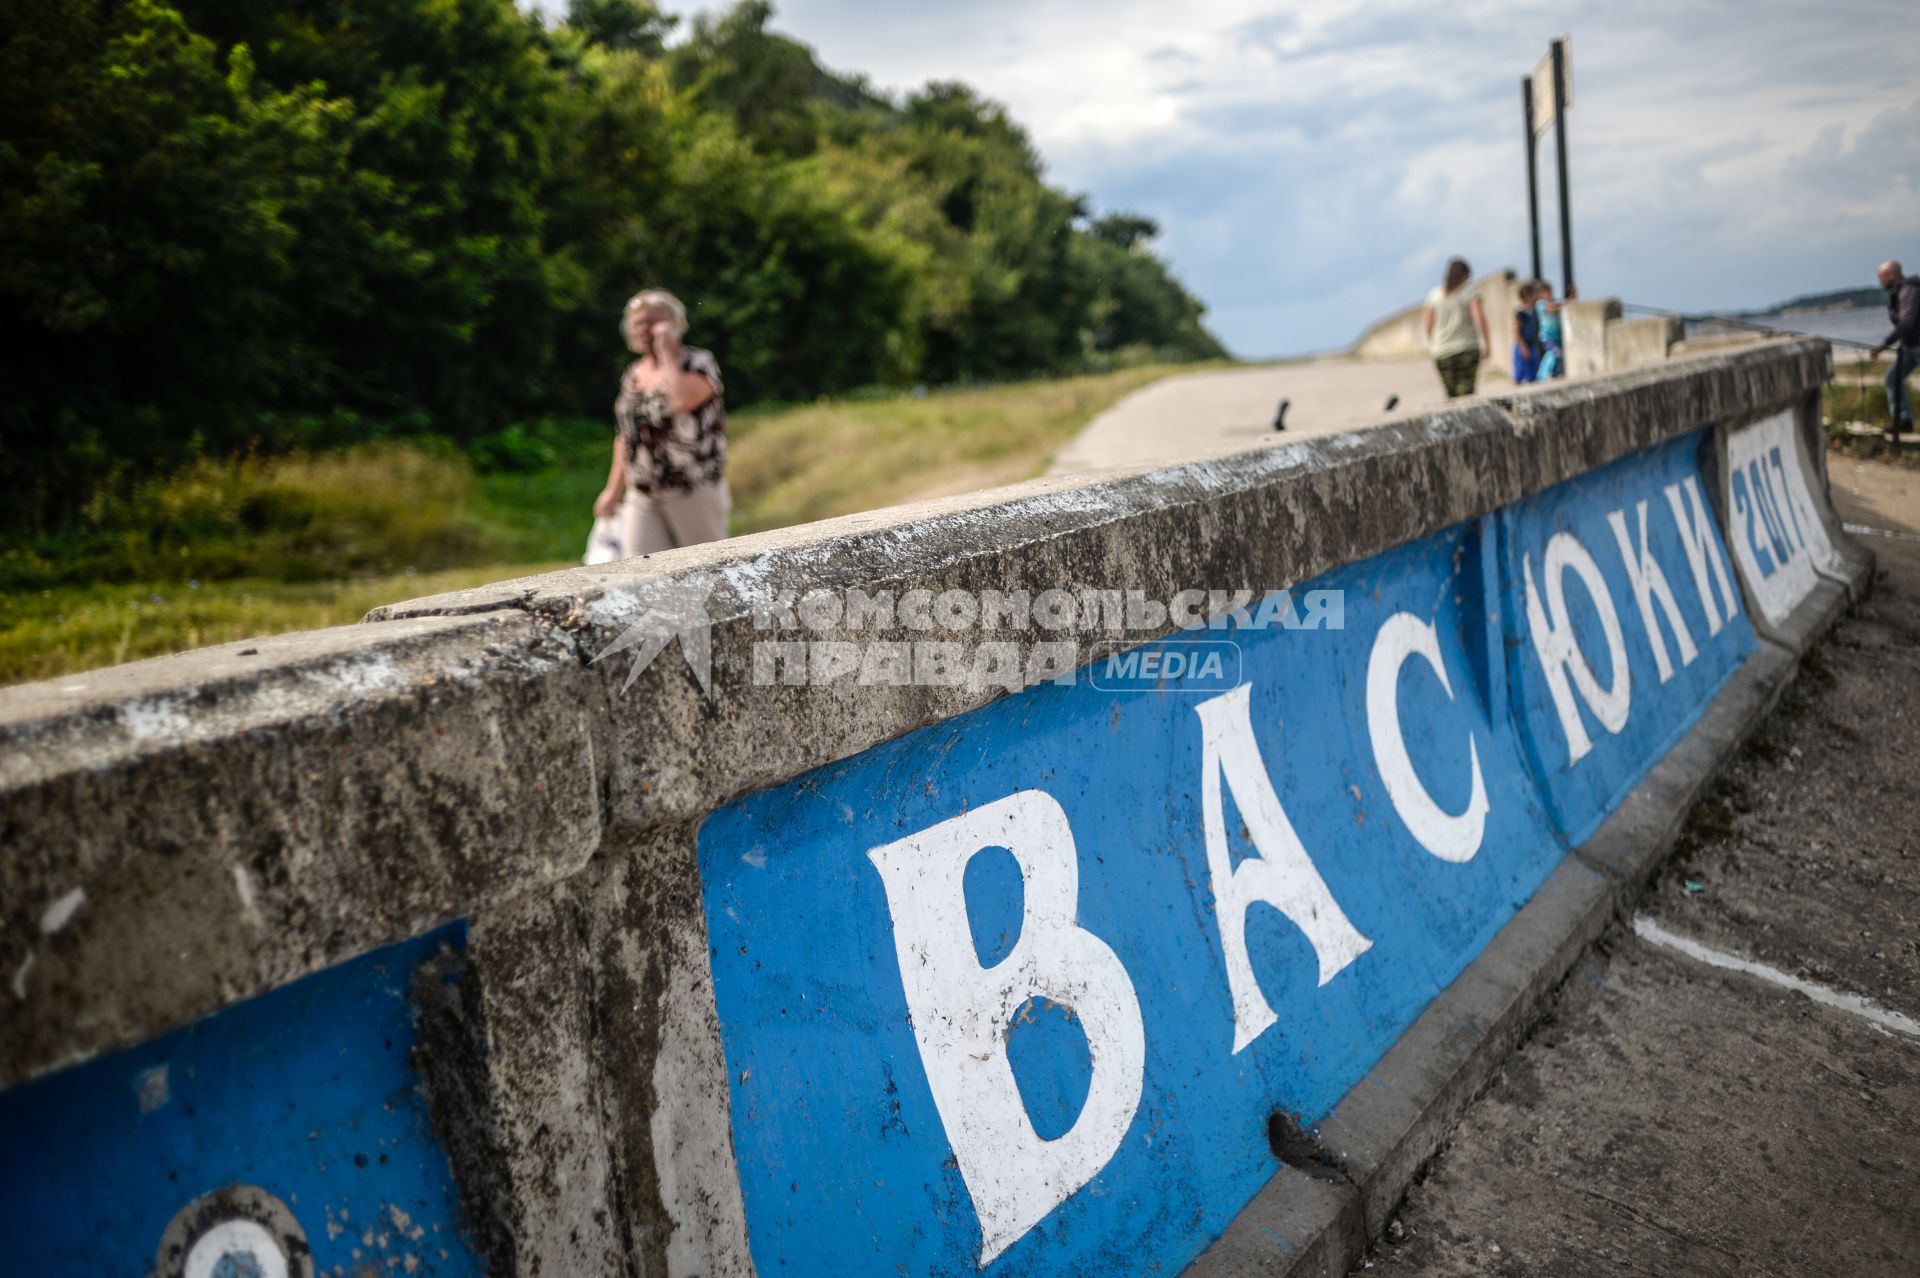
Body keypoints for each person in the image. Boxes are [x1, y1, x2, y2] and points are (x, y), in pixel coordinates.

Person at [592, 289, 731, 557]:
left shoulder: (698, 363)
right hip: (643, 493)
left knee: (707, 567)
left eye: (651, 321)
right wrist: (613, 491)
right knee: (642, 574)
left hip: (693, 489)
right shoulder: (633, 375)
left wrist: (667, 353)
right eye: (637, 323)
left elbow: (681, 401)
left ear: (672, 323)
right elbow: (626, 437)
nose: (644, 329)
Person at [1424, 258, 1490, 398]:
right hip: (1467, 347)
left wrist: (1431, 344)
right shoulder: (1470, 293)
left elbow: (1428, 324)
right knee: (1467, 394)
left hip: (1442, 350)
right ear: (1465, 275)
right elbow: (1479, 319)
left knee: (1450, 395)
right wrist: (1487, 343)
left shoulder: (1434, 295)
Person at [1870, 259, 1920, 441]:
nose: (1880, 281)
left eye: (1881, 277)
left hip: (1916, 345)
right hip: (1909, 347)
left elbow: (1907, 323)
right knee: (1892, 379)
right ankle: (1903, 420)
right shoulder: (1896, 293)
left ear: (1892, 274)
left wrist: (1884, 345)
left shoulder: (1909, 291)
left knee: (1893, 379)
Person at [1534, 281, 1567, 380]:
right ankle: (1543, 375)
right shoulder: (1540, 304)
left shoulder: (1554, 301)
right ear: (1540, 294)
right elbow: (1551, 308)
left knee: (1558, 355)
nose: (1549, 294)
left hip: (1557, 336)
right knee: (1554, 353)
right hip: (1547, 336)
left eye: (1550, 292)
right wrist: (1562, 304)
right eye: (1546, 292)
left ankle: (1555, 372)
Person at [1511, 280, 1542, 384]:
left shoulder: (1532, 310)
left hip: (1531, 344)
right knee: (1522, 374)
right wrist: (1523, 347)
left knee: (1533, 373)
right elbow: (1516, 330)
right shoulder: (1520, 312)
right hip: (1523, 346)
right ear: (1527, 296)